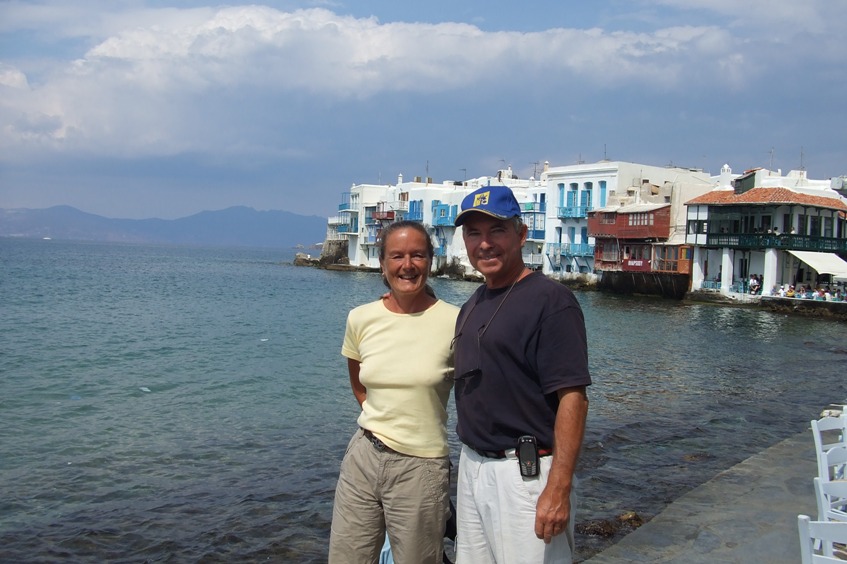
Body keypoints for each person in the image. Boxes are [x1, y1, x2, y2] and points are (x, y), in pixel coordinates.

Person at [451, 186, 592, 563]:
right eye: (474, 233)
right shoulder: (472, 303)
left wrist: (558, 488)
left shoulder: (551, 301)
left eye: (496, 230)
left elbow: (573, 399)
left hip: (525, 477)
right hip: (473, 467)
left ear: (521, 234)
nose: (484, 244)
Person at [329, 220, 459, 564]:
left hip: (421, 466)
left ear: (430, 261)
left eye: (417, 255)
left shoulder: (456, 321)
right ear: (382, 264)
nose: (408, 265)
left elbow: (478, 392)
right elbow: (359, 384)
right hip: (363, 457)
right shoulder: (360, 318)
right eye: (397, 256)